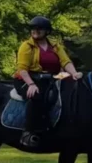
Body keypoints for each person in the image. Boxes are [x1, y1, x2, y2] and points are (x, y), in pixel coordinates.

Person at [15, 16, 81, 148]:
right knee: (37, 96)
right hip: (28, 78)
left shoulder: (55, 46)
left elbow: (65, 61)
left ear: (47, 31)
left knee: (75, 87)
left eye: (39, 29)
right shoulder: (27, 46)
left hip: (52, 77)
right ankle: (29, 132)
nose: (35, 31)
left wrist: (74, 73)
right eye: (33, 28)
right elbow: (22, 69)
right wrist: (31, 85)